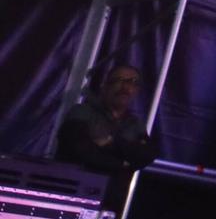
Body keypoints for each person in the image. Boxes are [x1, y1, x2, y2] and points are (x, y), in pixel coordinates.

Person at [55, 63, 158, 204]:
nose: (125, 87)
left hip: (112, 202)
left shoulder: (135, 124)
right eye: (119, 80)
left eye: (132, 82)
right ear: (105, 86)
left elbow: (146, 155)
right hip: (72, 195)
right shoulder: (83, 112)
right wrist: (124, 163)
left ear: (137, 90)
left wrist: (110, 142)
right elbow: (80, 150)